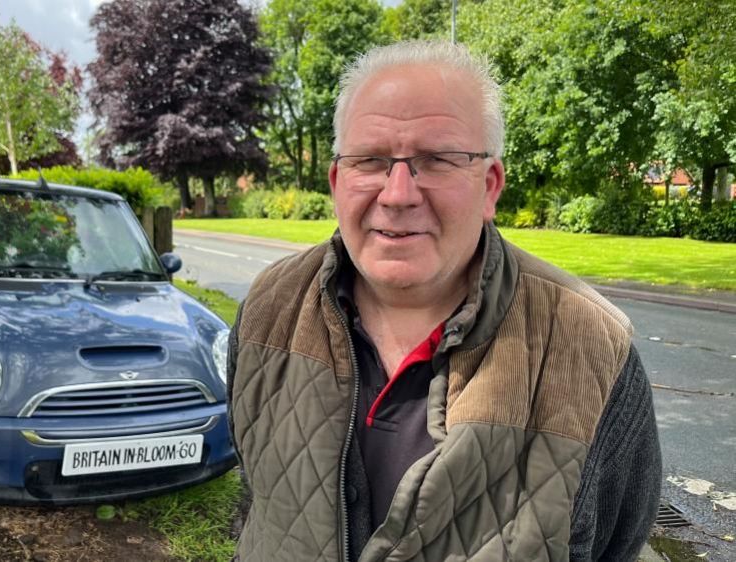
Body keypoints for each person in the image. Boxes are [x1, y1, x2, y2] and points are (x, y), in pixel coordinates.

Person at [226, 39, 661, 562]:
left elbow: (618, 542)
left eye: (437, 160)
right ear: (338, 180)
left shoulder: (590, 348)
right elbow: (262, 504)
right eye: (371, 160)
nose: (399, 193)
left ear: (490, 186)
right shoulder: (269, 311)